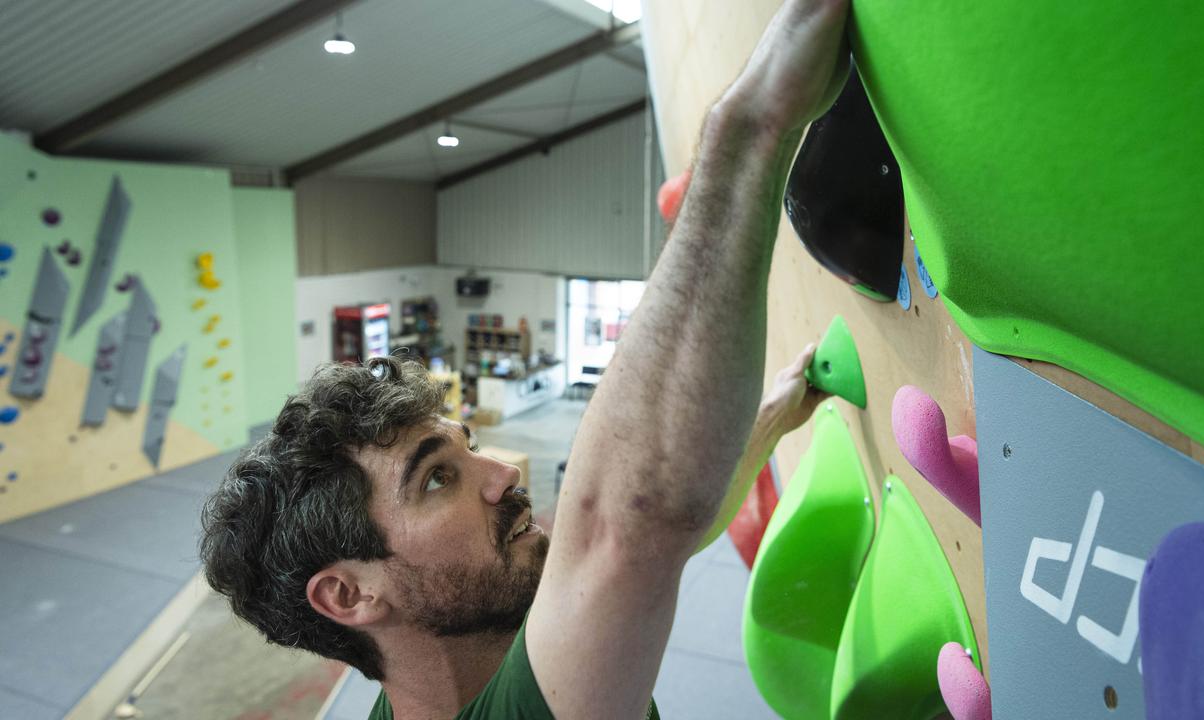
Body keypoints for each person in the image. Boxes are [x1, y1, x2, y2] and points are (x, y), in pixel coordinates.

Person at [199, 0, 850, 717]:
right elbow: (623, 528)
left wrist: (773, 416)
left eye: (464, 449)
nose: (504, 473)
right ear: (349, 594)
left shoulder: (475, 637)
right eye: (436, 479)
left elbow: (630, 550)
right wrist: (749, 129)